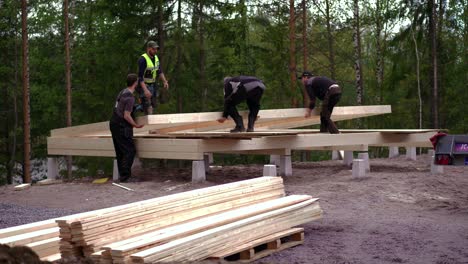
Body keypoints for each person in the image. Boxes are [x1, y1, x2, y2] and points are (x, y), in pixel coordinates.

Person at [110, 74, 144, 182]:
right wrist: (135, 125)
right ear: (135, 83)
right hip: (122, 125)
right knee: (129, 151)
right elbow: (126, 115)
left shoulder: (122, 92)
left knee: (120, 151)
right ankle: (125, 177)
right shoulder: (130, 97)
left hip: (114, 123)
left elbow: (120, 106)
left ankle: (123, 176)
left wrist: (135, 107)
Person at [137, 40, 169, 114]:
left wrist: (164, 81)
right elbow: (140, 77)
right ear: (148, 49)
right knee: (148, 106)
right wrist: (145, 90)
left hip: (153, 84)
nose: (155, 51)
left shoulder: (156, 58)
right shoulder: (143, 60)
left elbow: (159, 70)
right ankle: (148, 118)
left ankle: (137, 107)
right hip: (144, 85)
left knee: (153, 104)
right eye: (153, 49)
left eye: (156, 49)